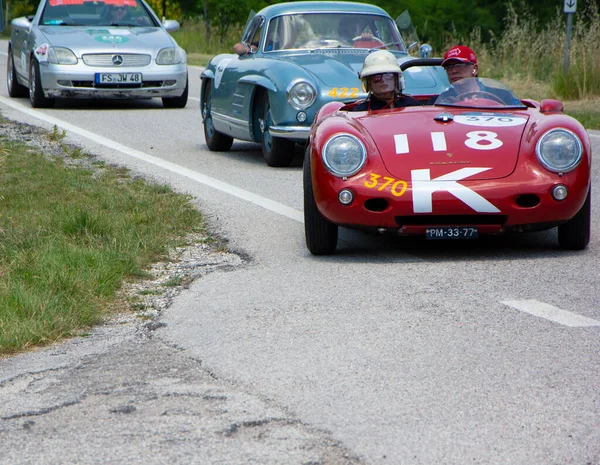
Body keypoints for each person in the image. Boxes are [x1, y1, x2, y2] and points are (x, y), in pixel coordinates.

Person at [429, 45, 520, 104]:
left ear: (474, 69)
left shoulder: (502, 95)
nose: (453, 71)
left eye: (459, 65)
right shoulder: (443, 100)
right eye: (449, 67)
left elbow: (520, 117)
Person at [350, 50, 420, 111]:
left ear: (396, 79)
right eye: (376, 77)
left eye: (388, 75)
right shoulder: (361, 111)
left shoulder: (411, 105)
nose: (383, 80)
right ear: (369, 83)